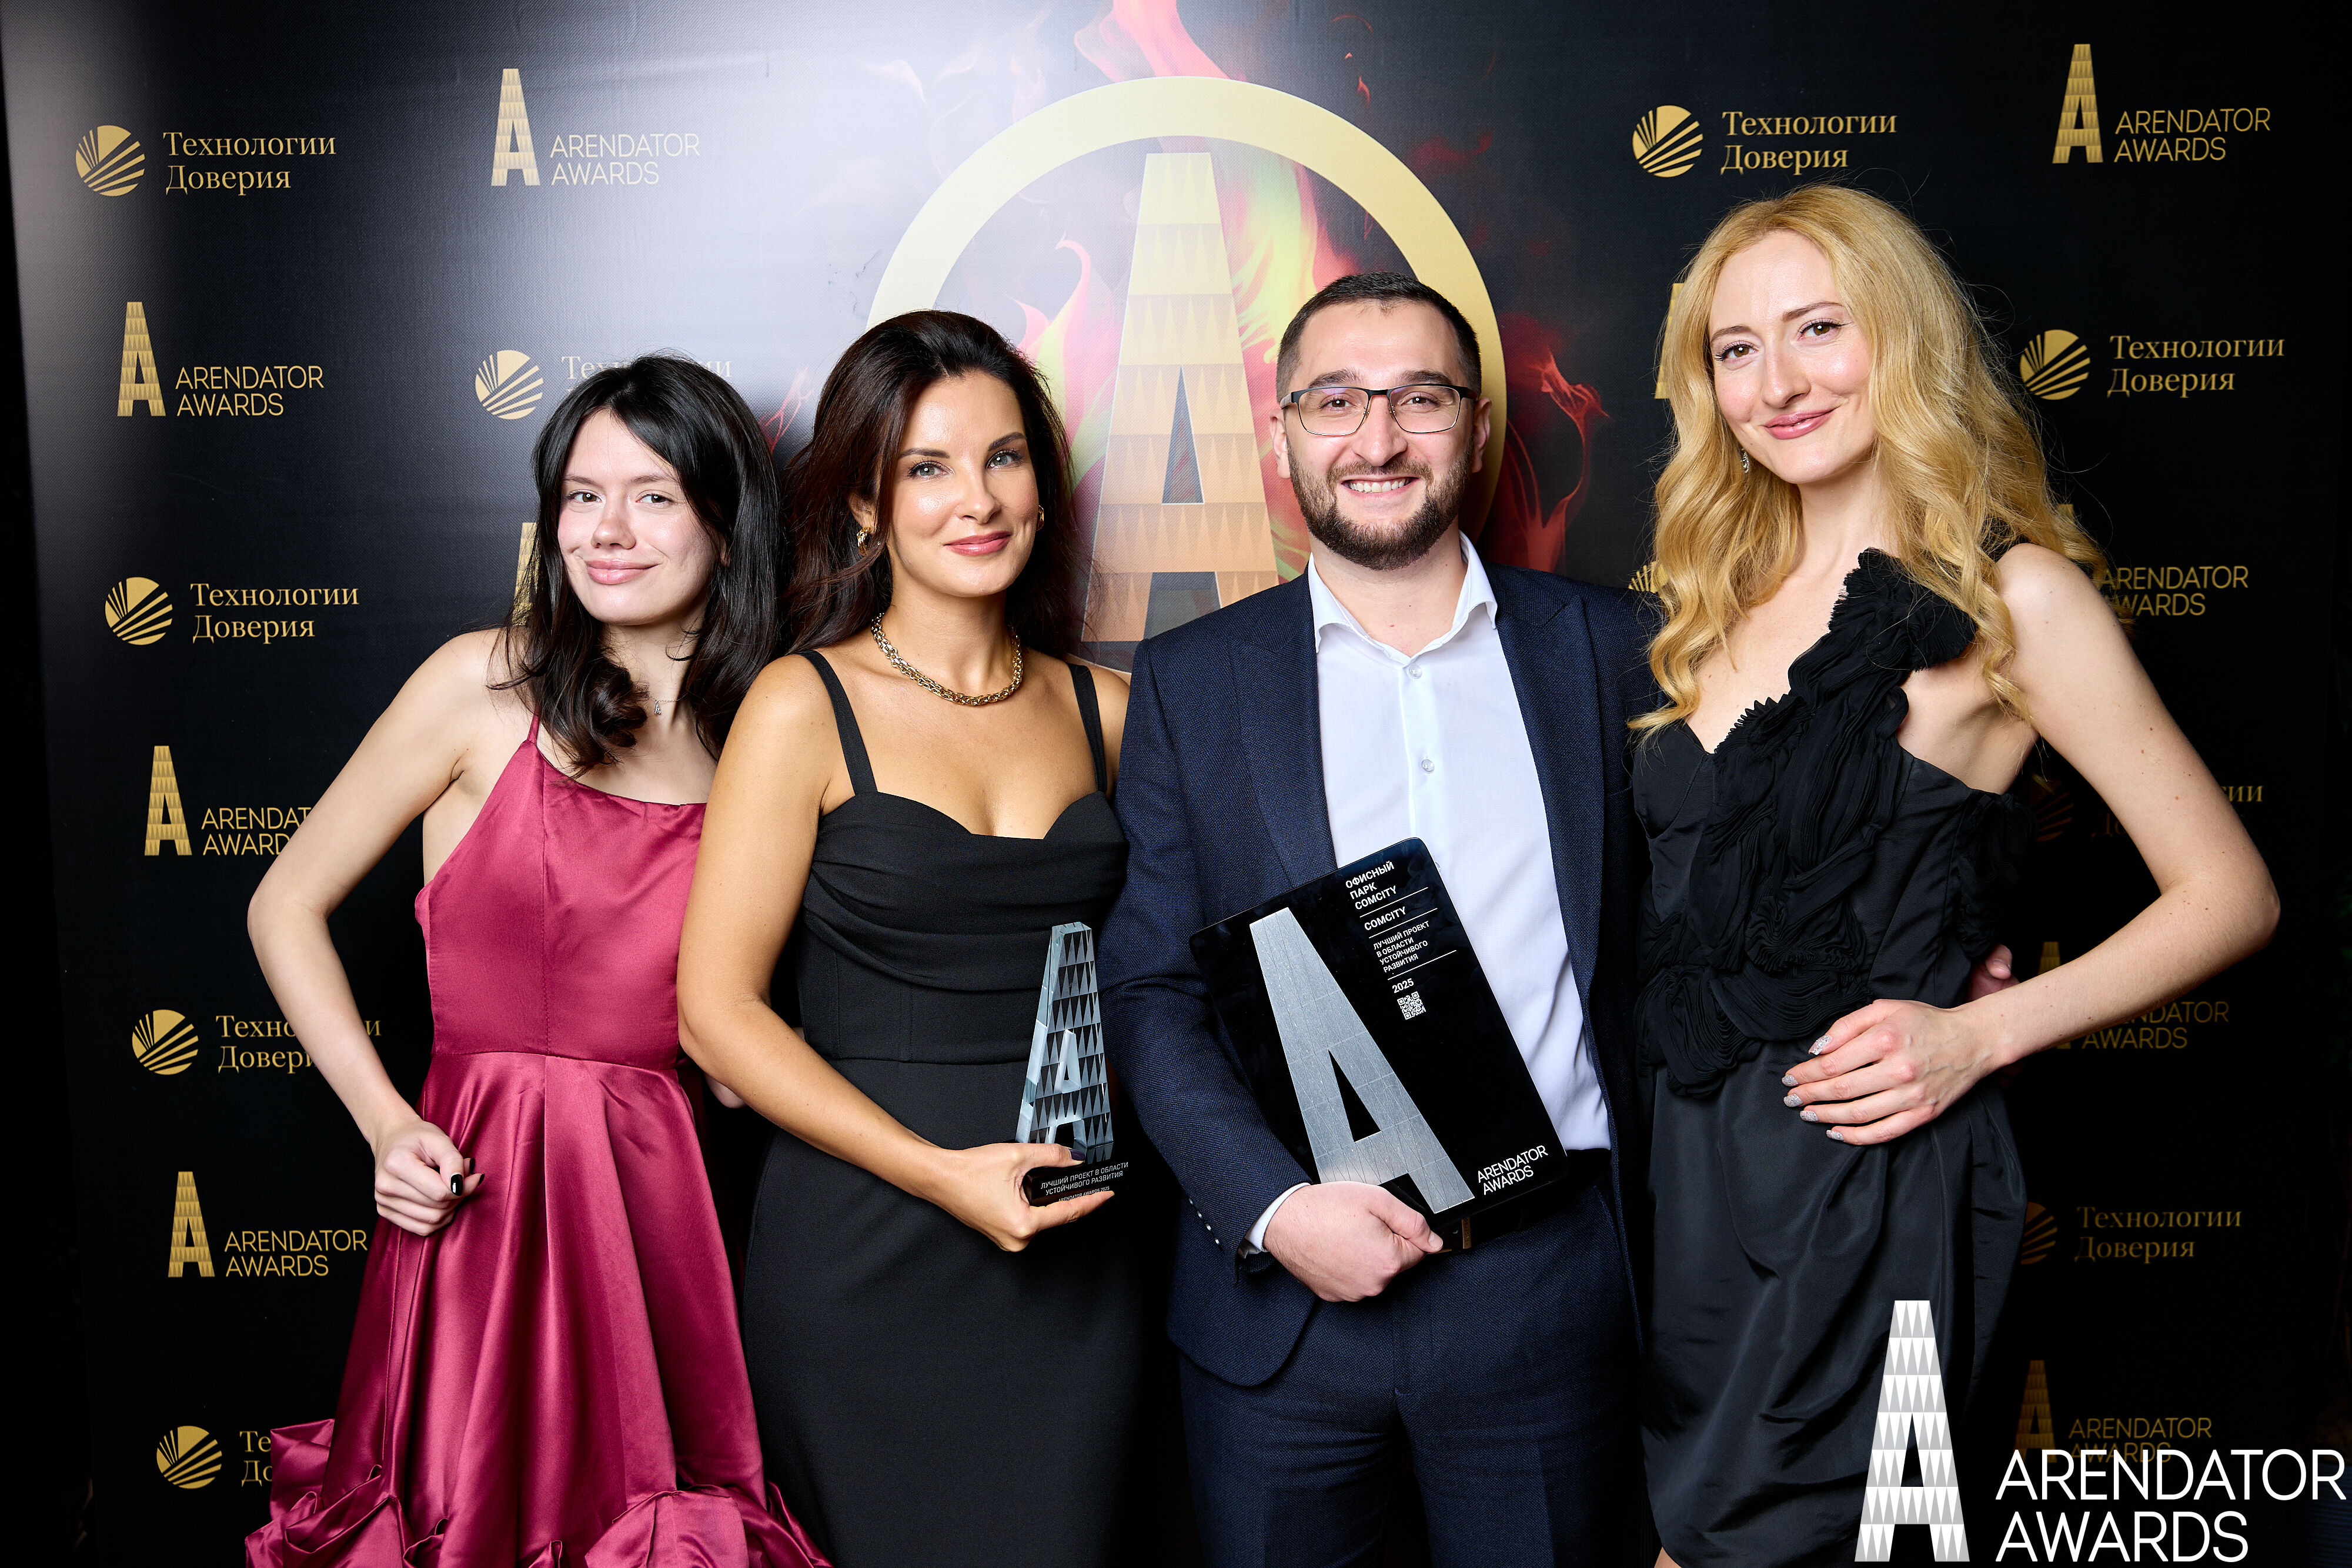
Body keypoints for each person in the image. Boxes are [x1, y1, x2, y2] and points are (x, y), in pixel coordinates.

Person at [1636, 185, 2278, 1566]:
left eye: (1818, 328)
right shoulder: (1709, 605)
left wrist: (1978, 1032)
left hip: (1871, 1197)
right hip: (1693, 1207)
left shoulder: (2010, 598)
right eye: (1736, 348)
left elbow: (2229, 891)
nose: (1775, 381)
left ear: (1903, 336)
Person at [1095, 272, 1652, 1566]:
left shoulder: (1614, 649)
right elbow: (1150, 988)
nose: (1379, 438)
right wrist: (1273, 1207)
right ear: (1282, 430)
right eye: (1336, 400)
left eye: (1420, 398)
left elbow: (1711, 913)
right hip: (1282, 1311)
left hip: (1546, 1289)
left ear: (1477, 425)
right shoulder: (1190, 682)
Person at [242, 357, 823, 1568]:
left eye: (653, 497)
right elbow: (284, 902)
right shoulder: (482, 685)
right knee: (459, 1518)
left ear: (727, 524)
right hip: (480, 1191)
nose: (606, 531)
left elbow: (729, 1033)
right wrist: (387, 1126)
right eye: (581, 495)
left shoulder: (766, 745)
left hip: (657, 1217)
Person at [674, 310, 1147, 1568]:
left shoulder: (1111, 711)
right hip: (863, 1246)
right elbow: (715, 1013)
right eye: (927, 467)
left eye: (1004, 458)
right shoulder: (802, 703)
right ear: (865, 504)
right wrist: (938, 1173)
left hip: (1076, 1246)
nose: (976, 499)